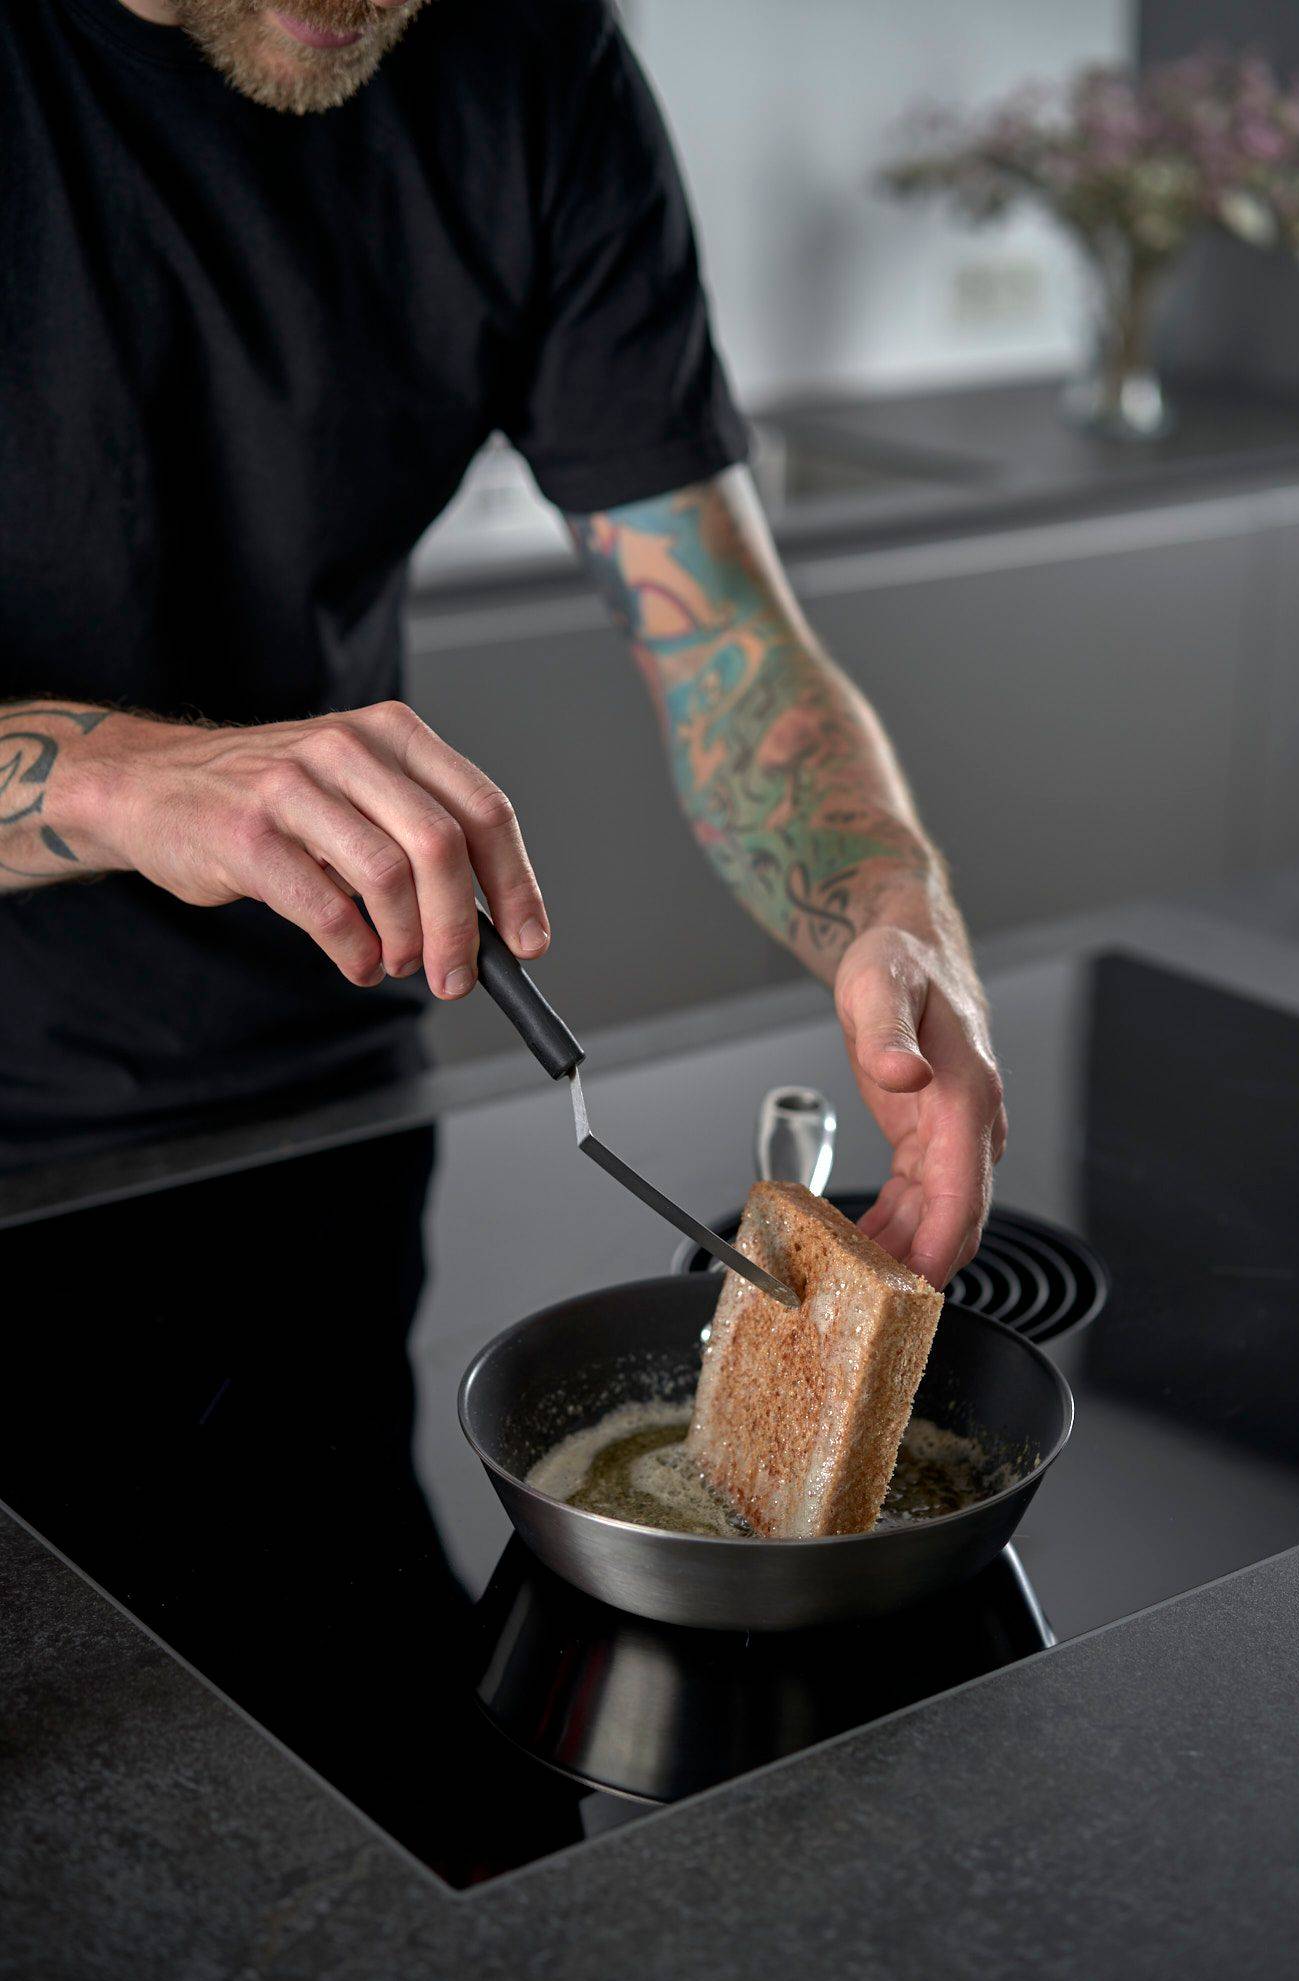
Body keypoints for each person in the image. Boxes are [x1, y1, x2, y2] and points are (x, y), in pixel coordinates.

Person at [1, 0, 1005, 1290]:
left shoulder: (532, 57)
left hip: (324, 1094)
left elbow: (726, 646)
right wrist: (109, 784)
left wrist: (897, 918)